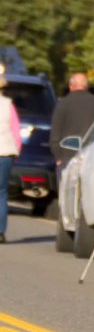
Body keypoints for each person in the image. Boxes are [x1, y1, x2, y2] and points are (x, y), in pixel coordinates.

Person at [49, 72, 94, 179]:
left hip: (67, 155)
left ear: (71, 86)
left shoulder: (63, 103)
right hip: (91, 156)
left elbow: (55, 132)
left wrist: (58, 156)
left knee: (66, 192)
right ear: (86, 86)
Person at [0, 75, 21, 244]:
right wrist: (17, 151)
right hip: (5, 152)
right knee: (1, 193)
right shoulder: (8, 105)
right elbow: (15, 131)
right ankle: (0, 231)